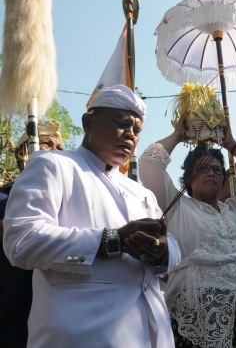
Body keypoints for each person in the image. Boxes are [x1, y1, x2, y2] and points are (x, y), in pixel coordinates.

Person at [3, 85, 181, 348]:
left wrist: (161, 252)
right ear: (89, 122)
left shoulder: (141, 192)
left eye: (137, 130)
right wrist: (111, 240)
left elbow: (174, 247)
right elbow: (22, 241)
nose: (130, 135)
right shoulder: (53, 165)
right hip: (81, 337)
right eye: (122, 124)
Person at [138, 111, 236, 348]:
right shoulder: (177, 205)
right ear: (187, 179)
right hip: (199, 315)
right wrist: (178, 135)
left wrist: (231, 144)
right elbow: (149, 164)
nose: (212, 172)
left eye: (216, 169)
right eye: (203, 168)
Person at [0, 120, 63, 348]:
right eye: (47, 144)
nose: (56, 151)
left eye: (60, 147)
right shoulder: (4, 198)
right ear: (21, 153)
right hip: (12, 323)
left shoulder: (71, 204)